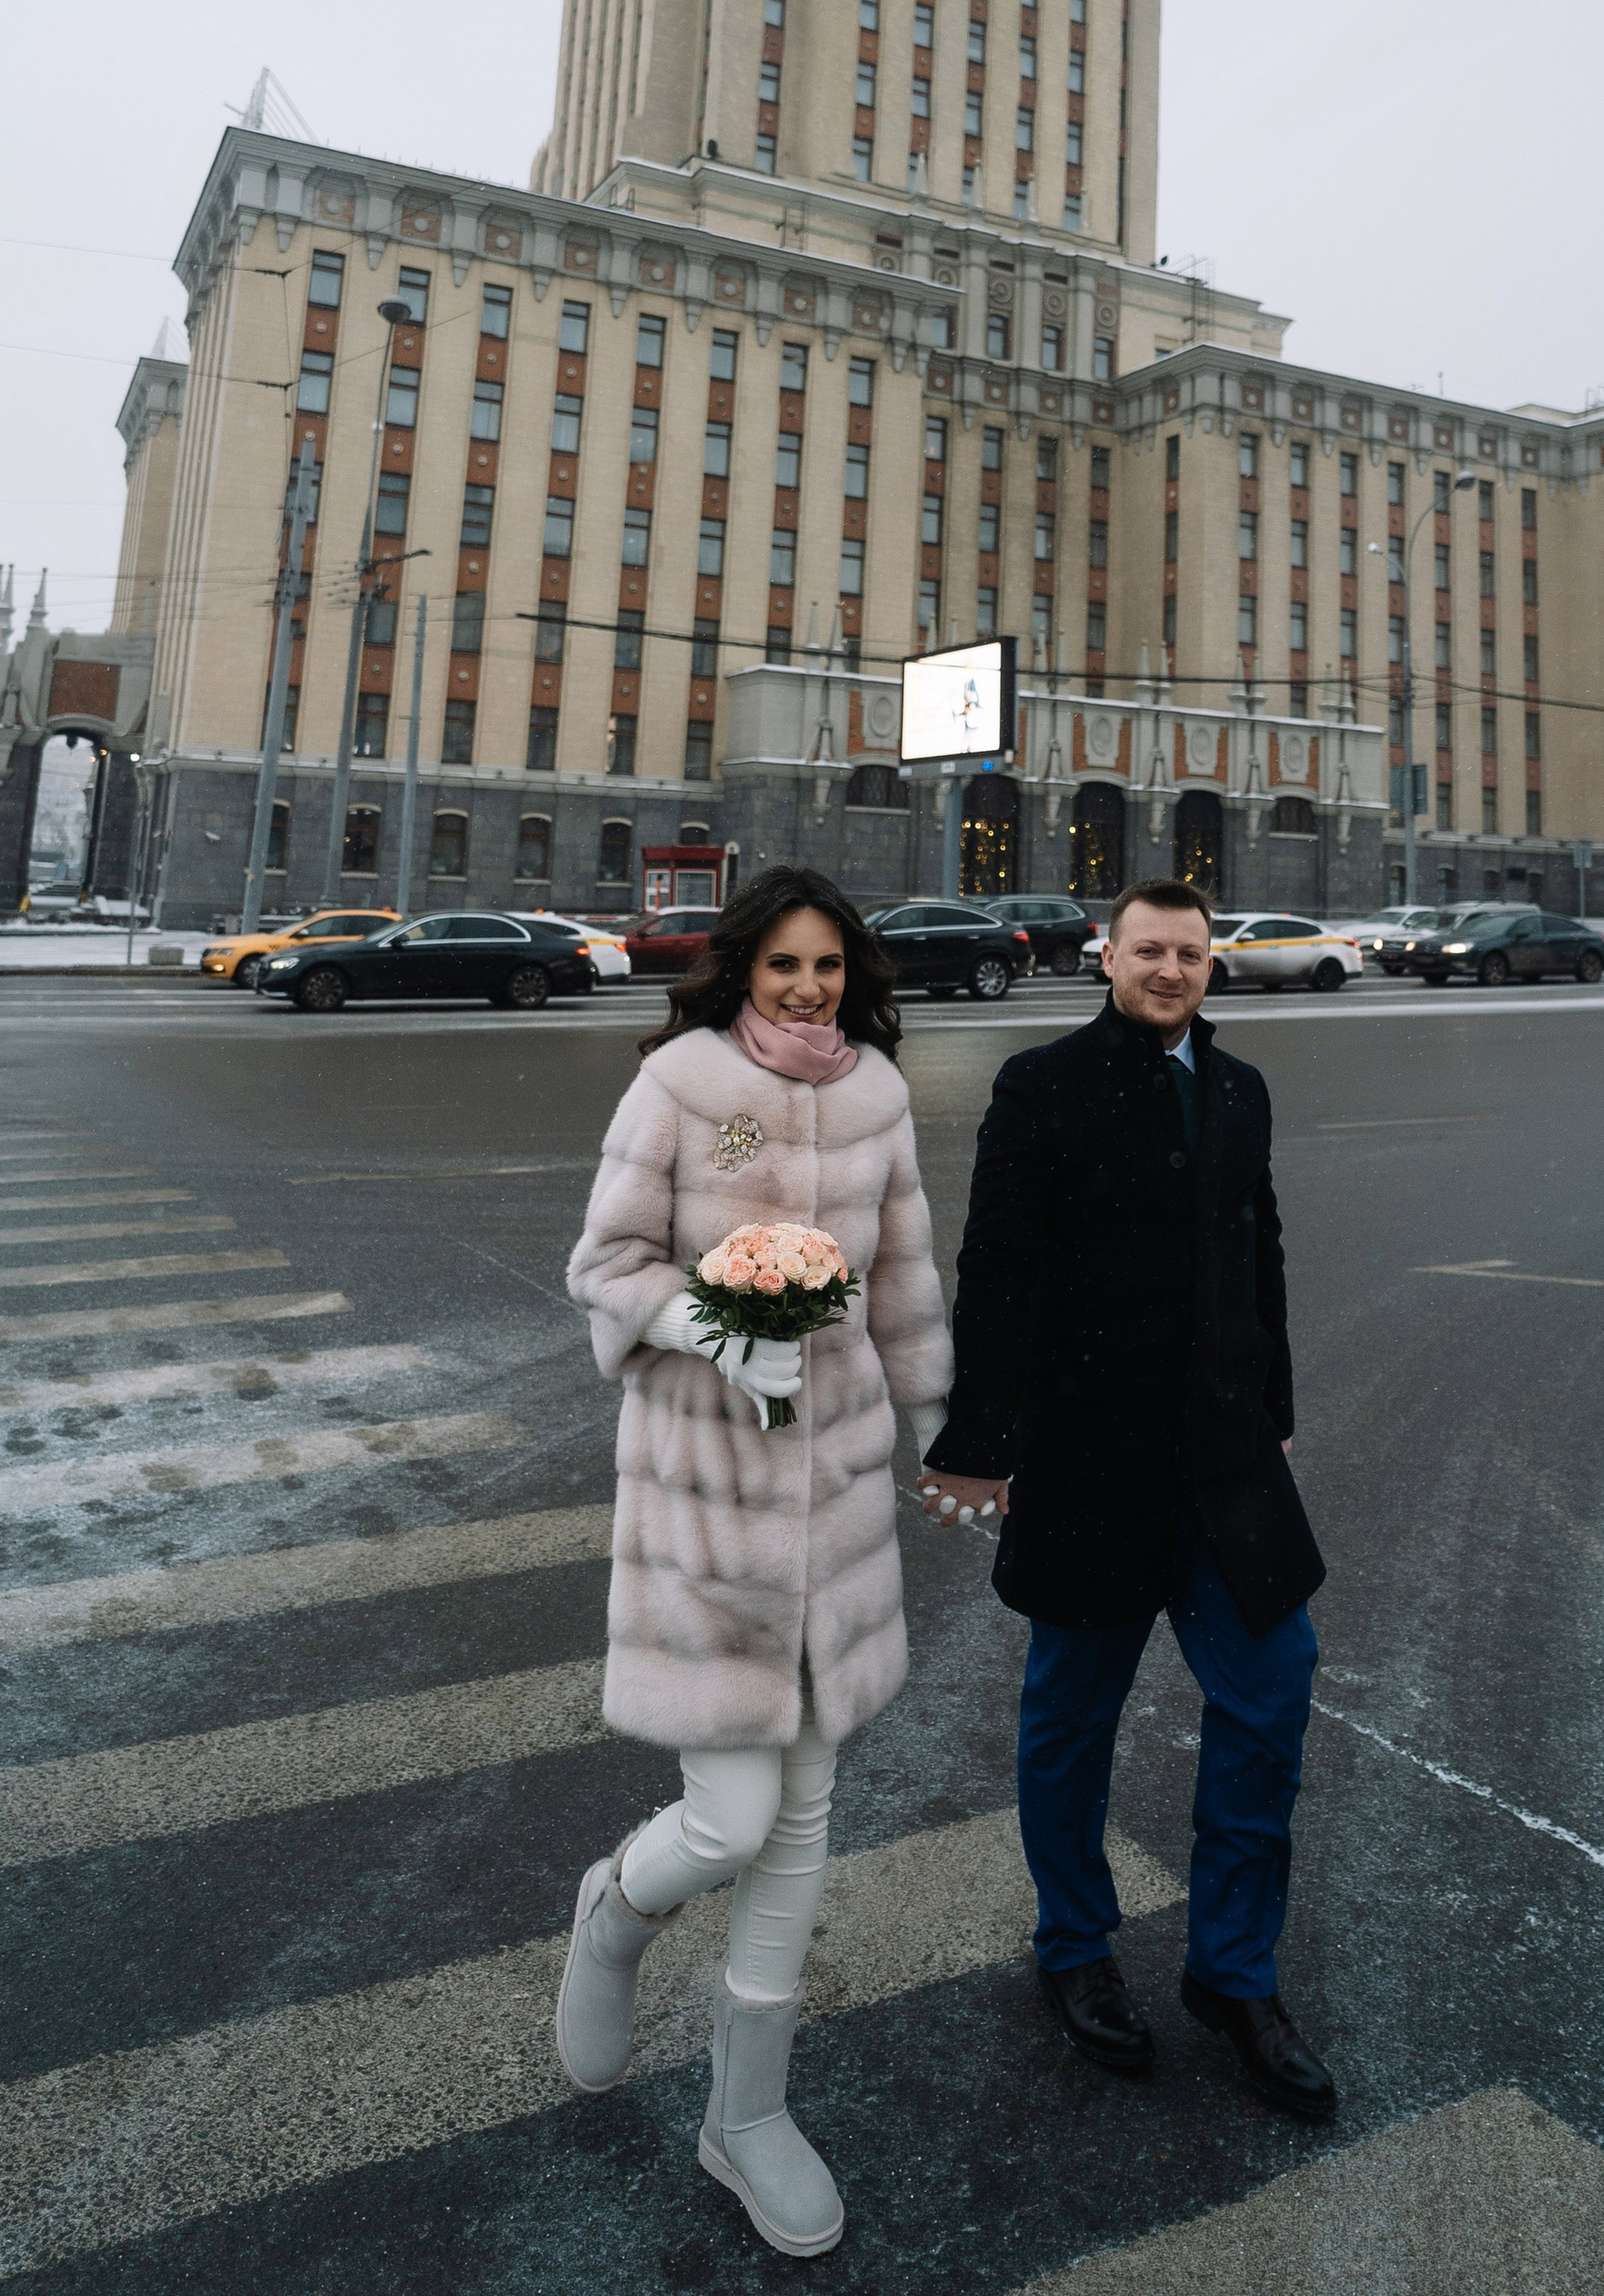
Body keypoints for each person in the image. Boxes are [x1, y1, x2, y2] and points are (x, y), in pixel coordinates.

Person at [561, 866, 951, 2258]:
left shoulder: (878, 1100)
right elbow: (604, 1262)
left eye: (828, 967)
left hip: (833, 1495)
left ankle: (749, 2114)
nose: (806, 989)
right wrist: (718, 1324)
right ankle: (616, 1906)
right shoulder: (678, 1081)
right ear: (742, 971)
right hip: (705, 1484)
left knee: (804, 1811)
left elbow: (904, 1272)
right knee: (728, 1814)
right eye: (783, 966)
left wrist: (941, 1421)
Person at [917, 876, 1335, 2119]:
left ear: (1212, 964)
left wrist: (1277, 1405)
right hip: (1093, 1457)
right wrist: (980, 1436)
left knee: (1271, 1697)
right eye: (1149, 949)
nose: (1170, 969)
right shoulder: (1041, 1084)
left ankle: (1236, 1974)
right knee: (1071, 1720)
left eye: (1190, 953)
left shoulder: (1242, 1089)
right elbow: (997, 1268)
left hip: (1225, 1458)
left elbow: (1257, 1250)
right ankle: (1075, 1951)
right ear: (1108, 955)